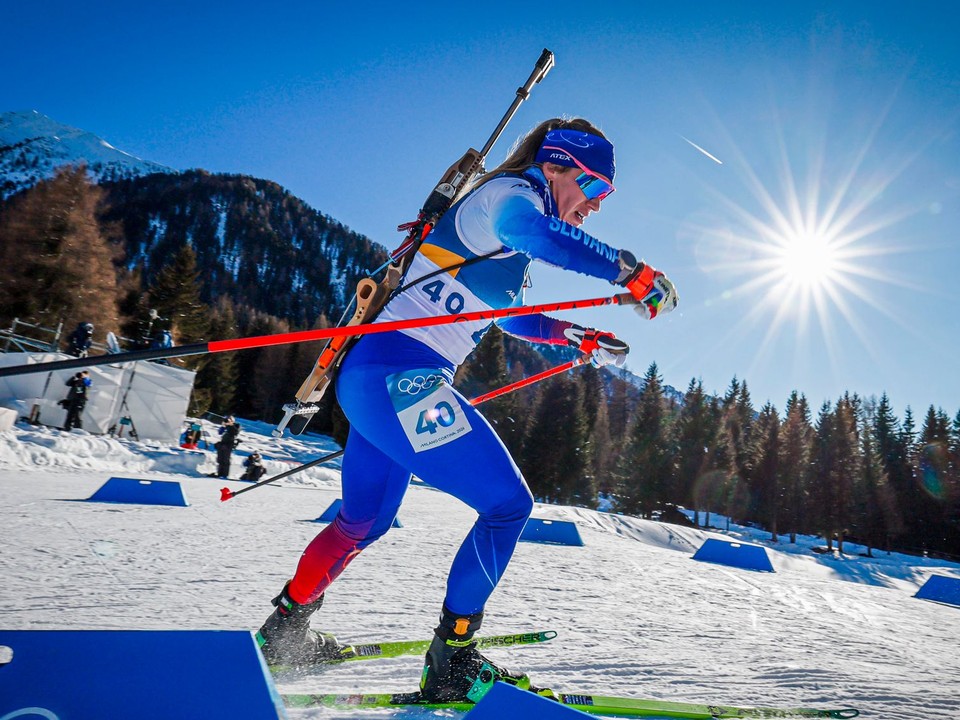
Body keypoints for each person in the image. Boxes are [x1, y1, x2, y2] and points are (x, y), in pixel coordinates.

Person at [255, 119, 678, 701]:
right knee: (508, 506)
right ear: (557, 166)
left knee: (364, 520)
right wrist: (628, 271)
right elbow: (535, 234)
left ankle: (284, 634)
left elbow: (508, 314)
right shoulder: (511, 198)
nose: (597, 206)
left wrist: (572, 334)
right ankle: (452, 659)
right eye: (597, 188)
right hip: (404, 378)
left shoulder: (499, 227)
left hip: (375, 382)